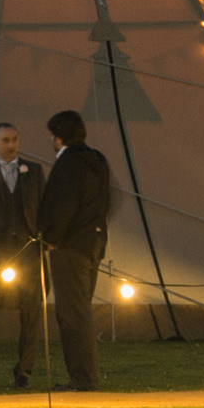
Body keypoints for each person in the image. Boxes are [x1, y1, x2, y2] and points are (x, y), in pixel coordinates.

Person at [38, 108, 116, 392]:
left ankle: (83, 377)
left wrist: (52, 238)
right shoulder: (97, 159)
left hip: (70, 246)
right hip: (93, 243)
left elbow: (64, 204)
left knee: (72, 314)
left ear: (58, 137)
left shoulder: (68, 162)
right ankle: (85, 376)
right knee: (81, 309)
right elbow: (108, 199)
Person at [0, 121, 44, 384]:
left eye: (14, 139)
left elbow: (42, 205)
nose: (11, 145)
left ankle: (24, 370)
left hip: (28, 250)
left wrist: (42, 240)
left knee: (31, 313)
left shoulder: (34, 171)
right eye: (5, 140)